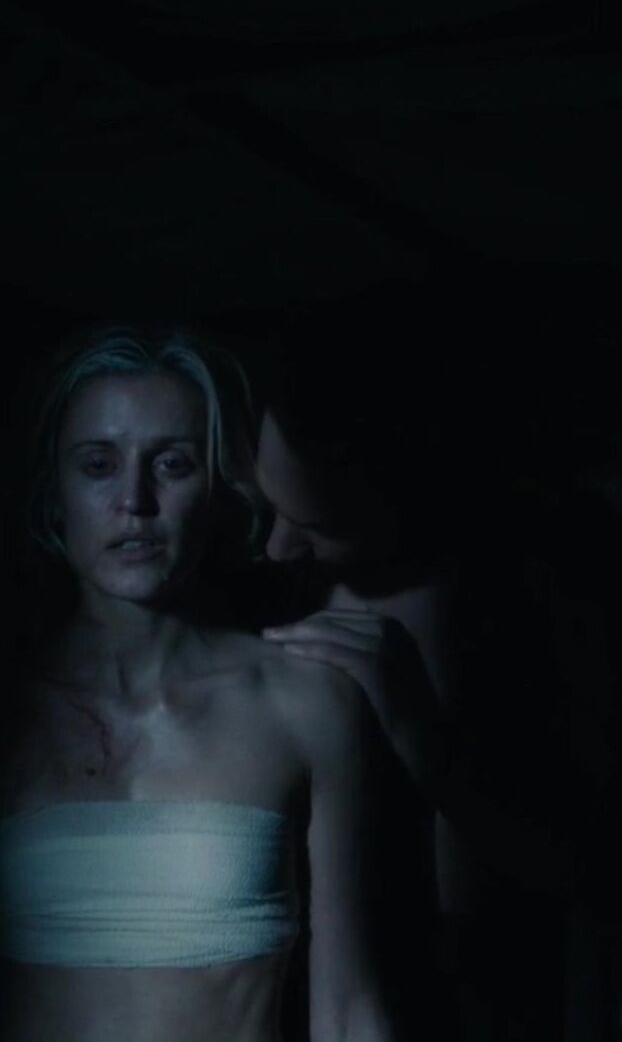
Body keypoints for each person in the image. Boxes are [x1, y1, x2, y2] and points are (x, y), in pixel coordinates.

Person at [248, 319, 622, 1040]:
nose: (278, 547)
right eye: (268, 506)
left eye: (320, 526)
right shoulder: (276, 590)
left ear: (406, 490)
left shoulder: (558, 590)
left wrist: (428, 747)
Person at [0, 326, 402, 1042]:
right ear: (55, 492)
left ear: (219, 488)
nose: (134, 500)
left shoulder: (303, 701)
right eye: (98, 464)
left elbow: (350, 1011)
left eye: (173, 464)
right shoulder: (11, 711)